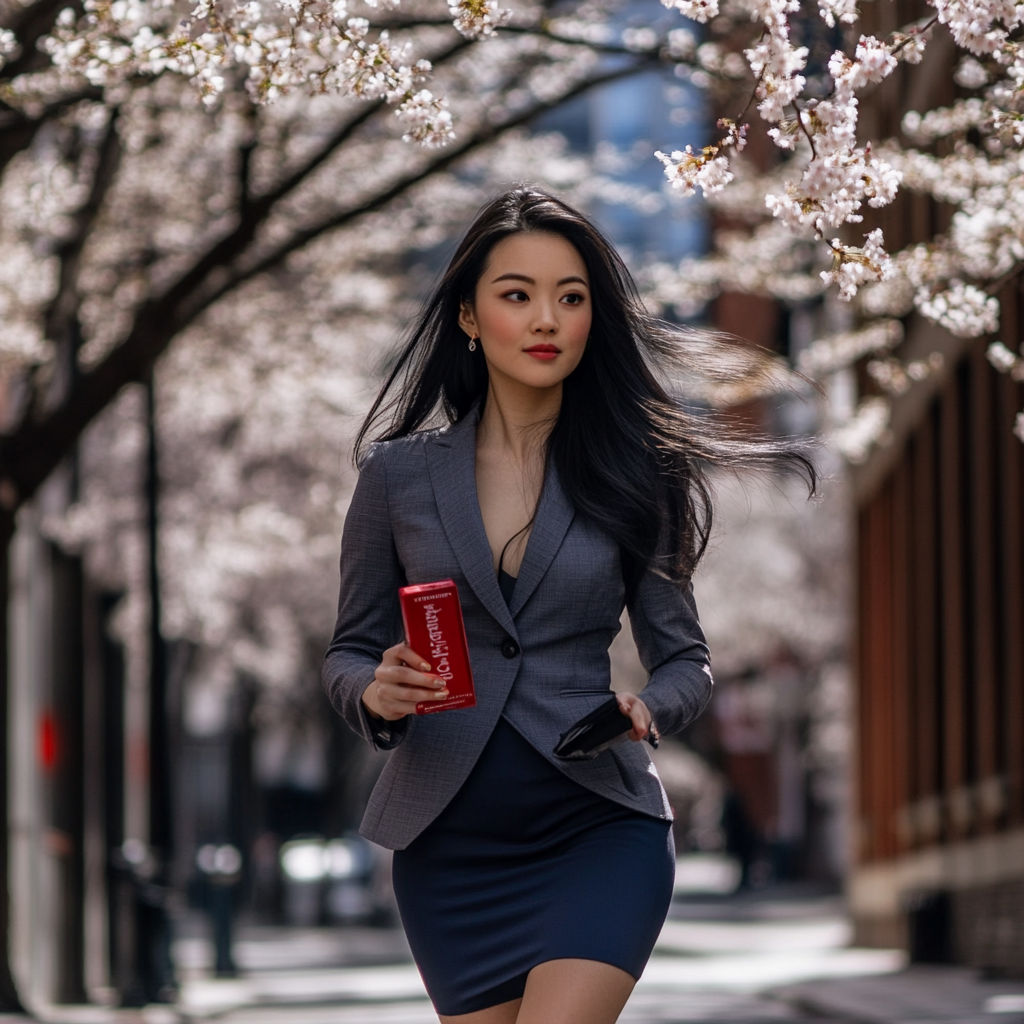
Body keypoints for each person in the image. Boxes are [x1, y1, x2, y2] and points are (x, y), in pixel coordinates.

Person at [323, 186, 815, 1024]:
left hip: (598, 827)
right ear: (470, 318)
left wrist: (644, 707)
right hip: (451, 845)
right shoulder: (397, 477)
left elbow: (686, 661)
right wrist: (374, 690)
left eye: (572, 297)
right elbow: (347, 651)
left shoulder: (637, 471)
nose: (547, 318)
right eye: (517, 295)